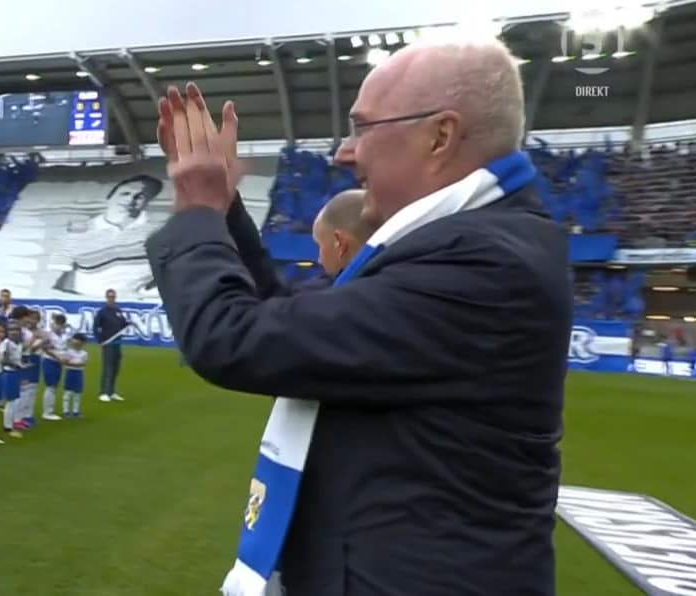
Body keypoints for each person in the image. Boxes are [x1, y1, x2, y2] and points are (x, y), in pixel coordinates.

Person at [147, 38, 570, 596]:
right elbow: (292, 323)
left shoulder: (486, 263)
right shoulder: (468, 243)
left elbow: (236, 339)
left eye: (362, 128)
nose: (345, 153)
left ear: (439, 136)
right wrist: (224, 211)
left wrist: (197, 211)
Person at [93, 289, 129, 403]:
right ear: (106, 298)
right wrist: (100, 340)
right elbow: (95, 327)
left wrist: (129, 323)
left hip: (117, 343)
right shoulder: (102, 312)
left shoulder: (118, 311)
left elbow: (123, 324)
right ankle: (103, 392)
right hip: (108, 343)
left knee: (116, 368)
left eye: (113, 297)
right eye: (109, 297)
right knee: (107, 368)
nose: (111, 299)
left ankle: (111, 391)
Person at [40, 314, 70, 420]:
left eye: (61, 324)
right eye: (57, 323)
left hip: (58, 362)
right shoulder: (49, 334)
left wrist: (65, 357)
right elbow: (45, 348)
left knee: (55, 386)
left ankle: (49, 410)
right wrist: (57, 357)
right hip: (50, 361)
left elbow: (64, 348)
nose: (59, 326)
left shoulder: (64, 335)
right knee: (50, 386)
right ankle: (47, 412)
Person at [1, 321, 25, 439]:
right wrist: (16, 365)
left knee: (15, 399)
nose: (14, 332)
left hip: (16, 372)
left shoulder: (19, 343)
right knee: (11, 401)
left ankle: (11, 424)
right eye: (11, 330)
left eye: (16, 330)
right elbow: (3, 359)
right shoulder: (6, 343)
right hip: (9, 372)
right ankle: (8, 427)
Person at [61, 334, 89, 418]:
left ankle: (76, 411)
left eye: (79, 340)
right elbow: (65, 362)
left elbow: (83, 363)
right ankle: (65, 411)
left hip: (79, 373)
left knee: (77, 393)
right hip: (70, 372)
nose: (76, 342)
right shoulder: (68, 351)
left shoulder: (84, 353)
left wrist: (71, 363)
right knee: (68, 392)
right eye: (75, 340)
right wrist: (77, 364)